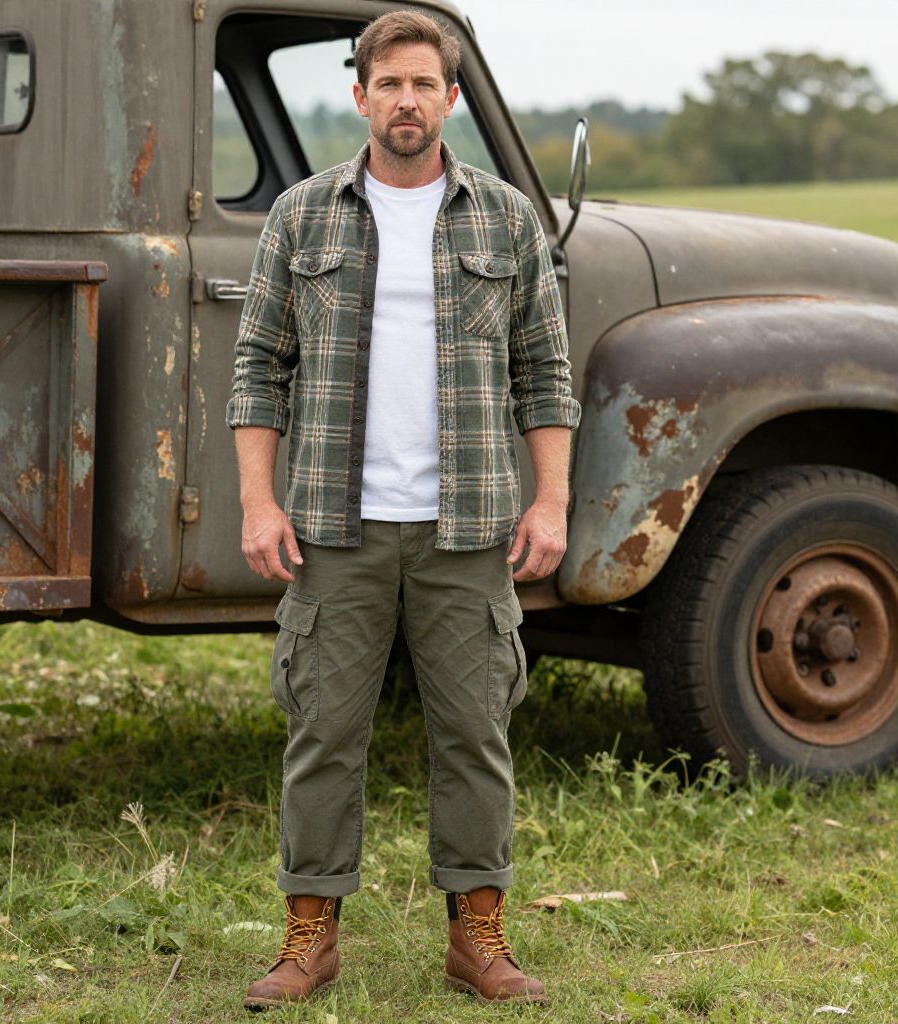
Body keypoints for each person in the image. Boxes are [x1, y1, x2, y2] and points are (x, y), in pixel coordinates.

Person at [225, 9, 580, 1010]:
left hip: (465, 525)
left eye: (425, 84)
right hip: (335, 523)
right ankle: (308, 940)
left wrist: (548, 503)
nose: (407, 101)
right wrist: (260, 503)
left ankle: (478, 939)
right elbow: (258, 366)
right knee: (322, 733)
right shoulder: (302, 216)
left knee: (474, 734)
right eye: (389, 84)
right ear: (360, 97)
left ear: (450, 98)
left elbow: (543, 376)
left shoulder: (507, 220)